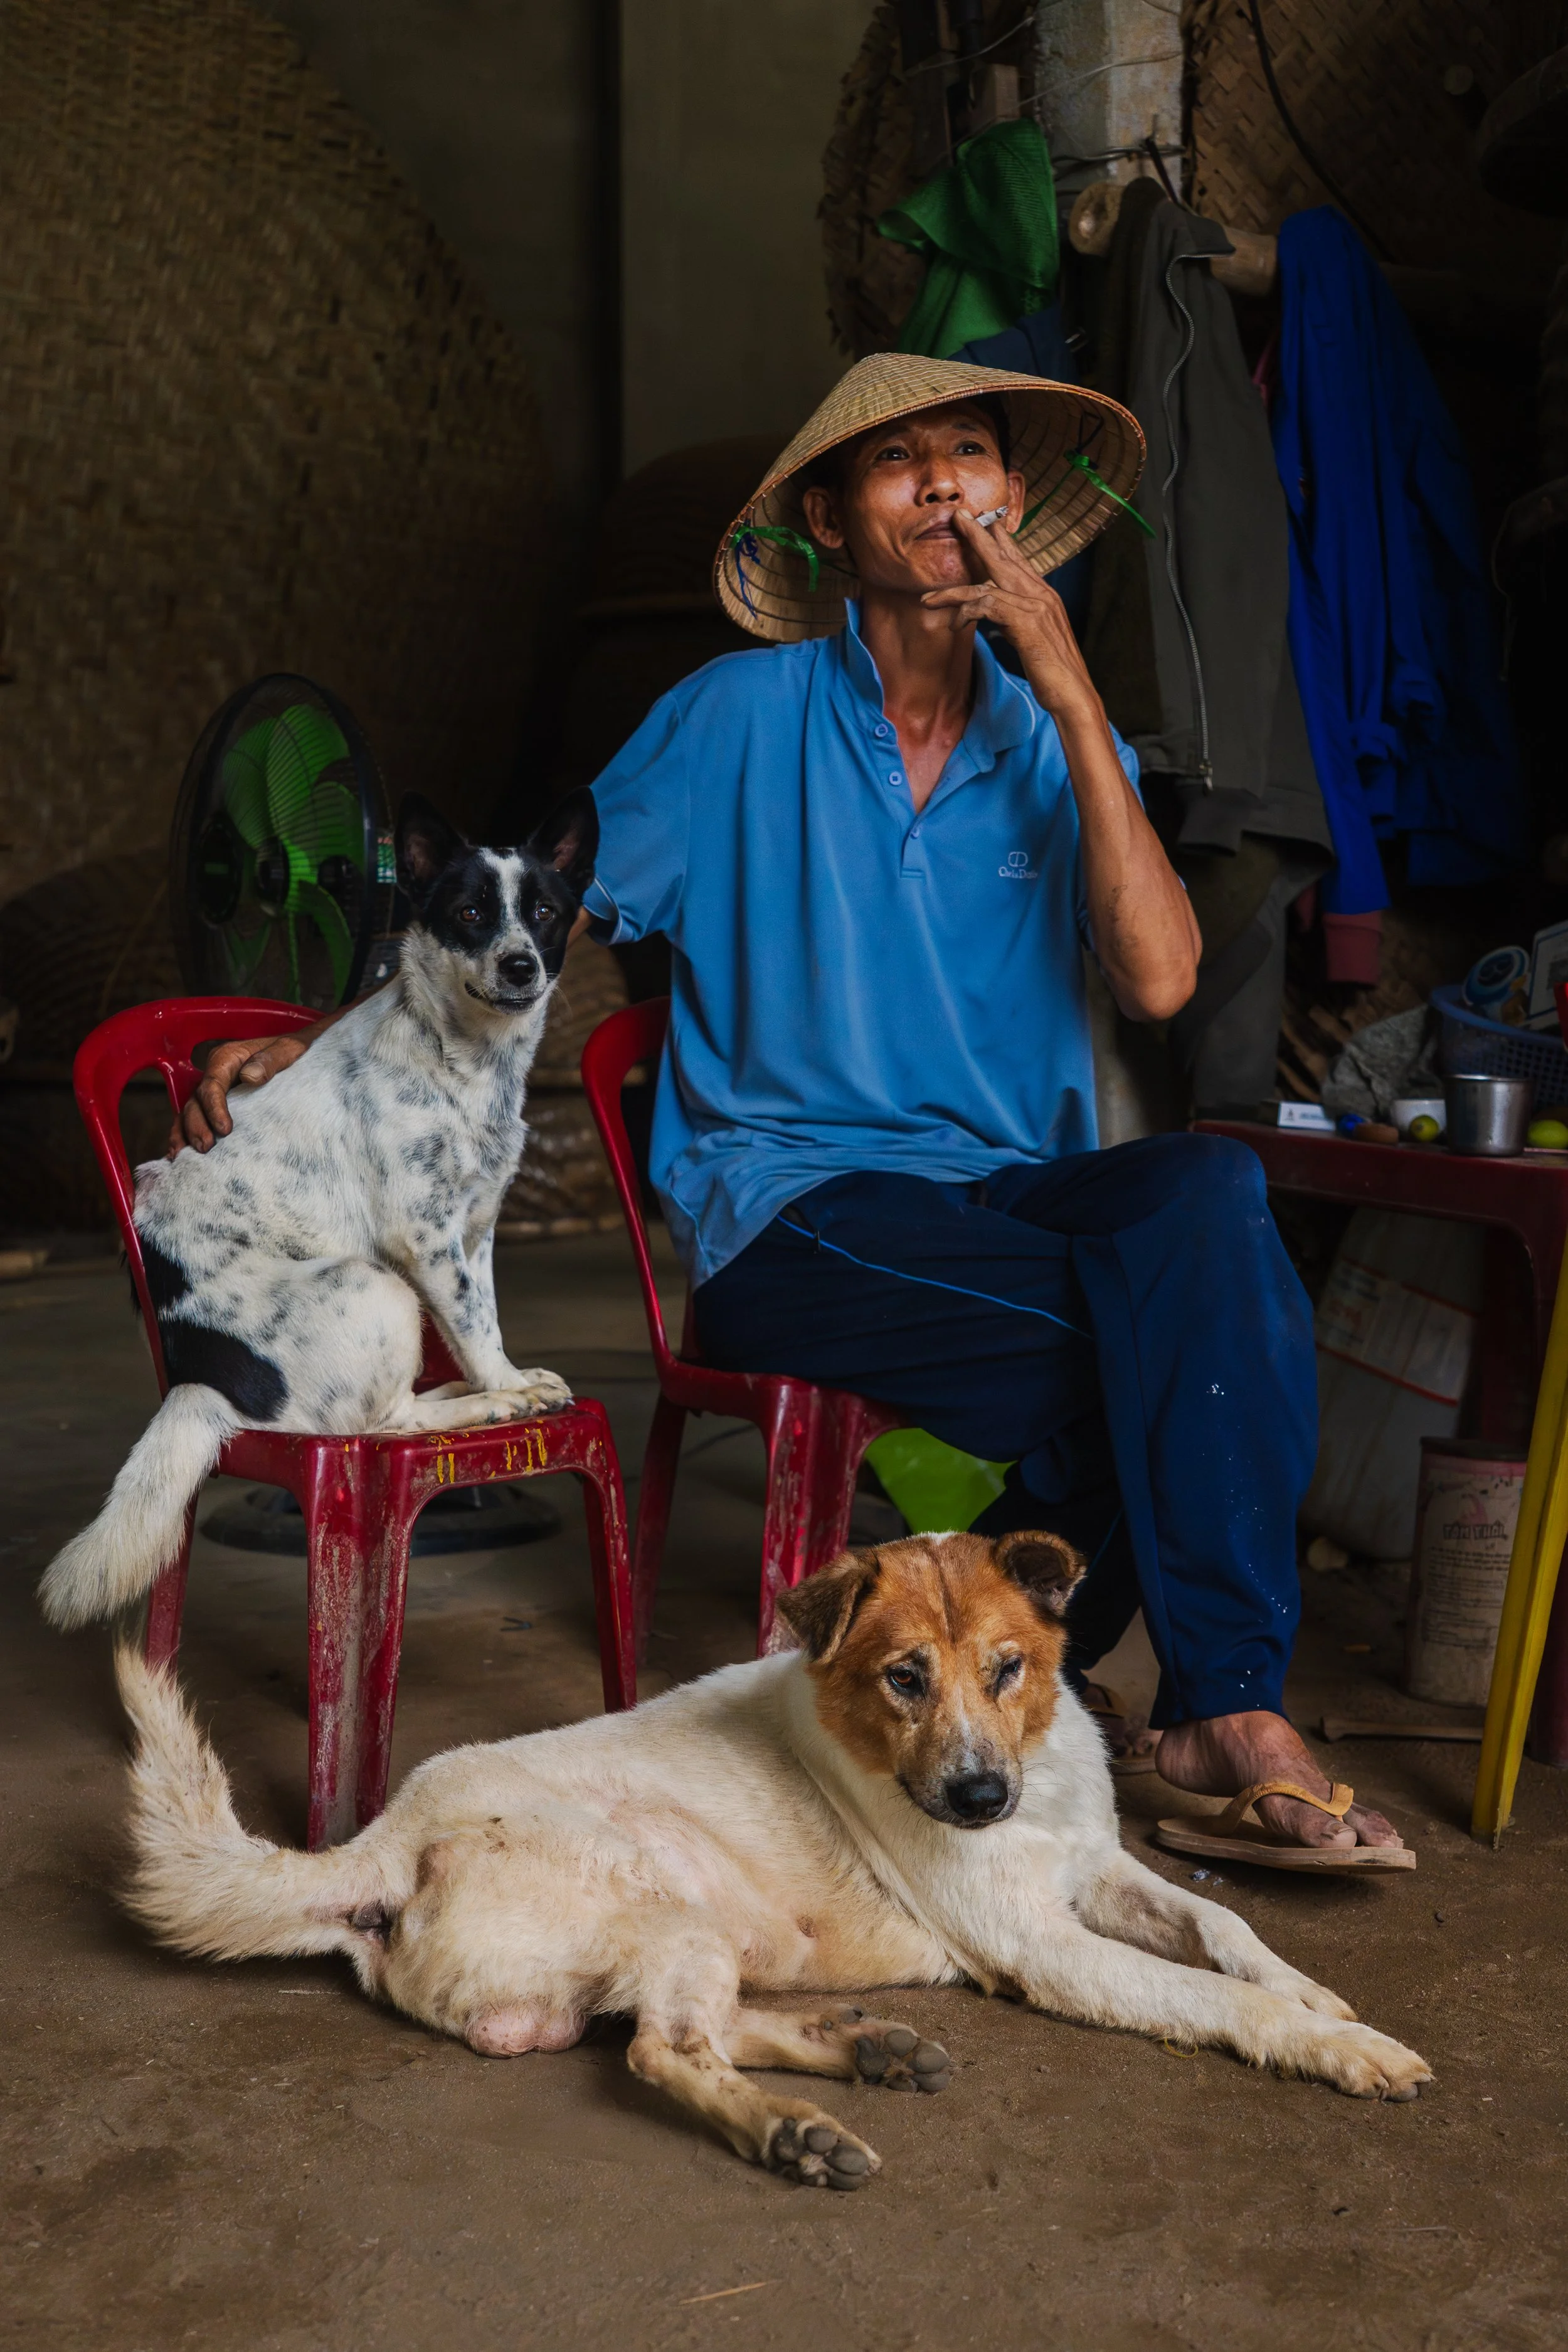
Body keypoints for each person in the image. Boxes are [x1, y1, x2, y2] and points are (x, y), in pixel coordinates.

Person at [181, 354, 1400, 1860]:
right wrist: (317, 1036)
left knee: (1210, 1205)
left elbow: (1158, 980)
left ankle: (1122, 1684)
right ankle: (1158, 1694)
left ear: (1015, 501)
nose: (947, 483)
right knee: (1191, 1338)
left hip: (1001, 1197)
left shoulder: (1042, 743)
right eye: (902, 464)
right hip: (793, 1217)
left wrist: (1072, 693)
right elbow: (518, 922)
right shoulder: (732, 719)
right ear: (828, 520)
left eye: (973, 453)